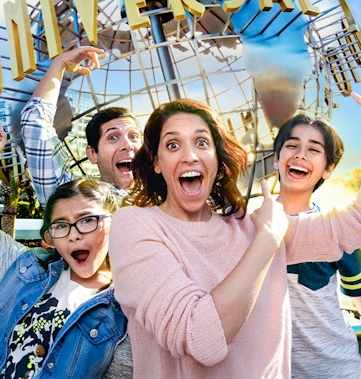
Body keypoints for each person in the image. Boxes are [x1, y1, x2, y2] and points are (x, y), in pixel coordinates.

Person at [109, 96, 361, 379]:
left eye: (202, 143)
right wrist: (268, 238)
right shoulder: (134, 225)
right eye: (172, 145)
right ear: (156, 162)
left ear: (217, 160)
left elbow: (351, 226)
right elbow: (201, 340)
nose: (190, 155)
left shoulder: (249, 226)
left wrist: (267, 232)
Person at [0, 122, 132, 379]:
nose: (74, 234)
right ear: (50, 237)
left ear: (114, 223)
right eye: (61, 225)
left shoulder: (126, 305)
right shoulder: (28, 268)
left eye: (87, 220)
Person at [273, 113, 361, 378]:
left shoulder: (335, 229)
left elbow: (358, 295)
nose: (301, 154)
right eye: (292, 145)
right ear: (276, 158)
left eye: (314, 149)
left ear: (328, 169)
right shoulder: (245, 227)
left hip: (336, 369)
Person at [20, 46, 142, 207]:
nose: (128, 145)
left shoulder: (171, 194)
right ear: (92, 154)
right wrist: (59, 64)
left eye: (133, 136)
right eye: (113, 137)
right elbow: (34, 123)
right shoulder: (76, 199)